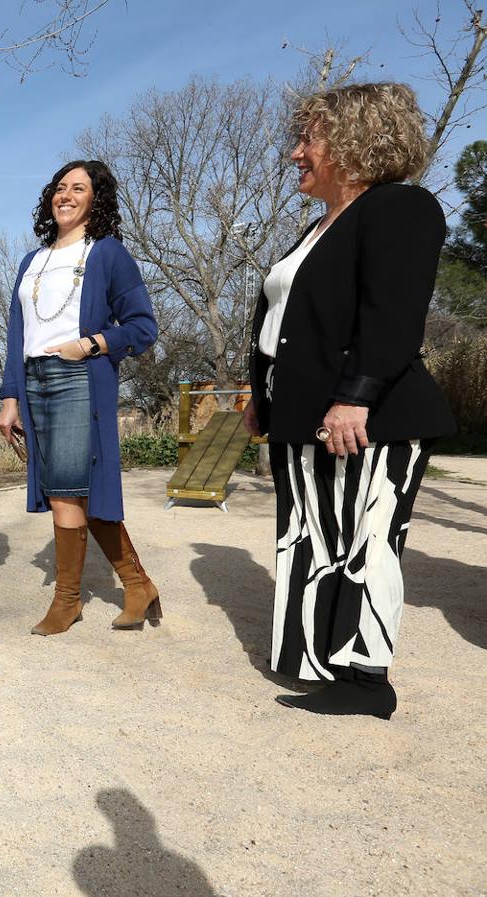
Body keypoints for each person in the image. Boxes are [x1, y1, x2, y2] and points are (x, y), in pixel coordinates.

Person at [243, 82, 456, 720]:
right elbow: (285, 320)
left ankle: (367, 681)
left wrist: (355, 397)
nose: (295, 153)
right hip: (303, 414)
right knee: (312, 534)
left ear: (354, 140)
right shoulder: (317, 228)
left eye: (308, 139)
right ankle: (322, 661)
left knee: (368, 538)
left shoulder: (400, 207)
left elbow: (392, 315)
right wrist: (264, 397)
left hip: (373, 415)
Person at [0, 160, 159, 637]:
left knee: (69, 490)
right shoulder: (32, 261)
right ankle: (137, 584)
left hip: (77, 376)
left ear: (96, 199)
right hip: (33, 381)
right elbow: (16, 335)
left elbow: (142, 327)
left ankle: (68, 600)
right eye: (60, 187)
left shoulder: (108, 254)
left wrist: (90, 344)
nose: (66, 195)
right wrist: (9, 398)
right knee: (62, 488)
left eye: (79, 188)